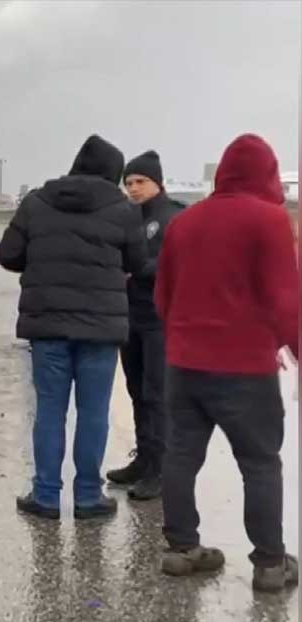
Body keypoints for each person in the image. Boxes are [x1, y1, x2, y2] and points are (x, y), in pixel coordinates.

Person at [154, 133, 299, 592]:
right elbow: (285, 300)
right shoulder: (269, 220)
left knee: (180, 454)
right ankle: (270, 565)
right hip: (244, 370)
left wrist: (188, 337)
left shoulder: (183, 222)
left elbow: (163, 299)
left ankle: (182, 549)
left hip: (183, 365)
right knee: (259, 463)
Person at [0, 134, 145, 520]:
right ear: (113, 174)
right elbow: (139, 261)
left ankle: (45, 496)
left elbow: (8, 255)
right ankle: (87, 497)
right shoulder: (123, 209)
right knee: (93, 411)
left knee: (49, 410)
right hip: (101, 328)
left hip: (47, 325)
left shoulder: (36, 203)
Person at [105, 151, 186, 501]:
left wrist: (136, 269)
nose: (134, 189)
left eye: (140, 182)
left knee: (157, 394)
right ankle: (144, 457)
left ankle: (161, 467)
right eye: (129, 183)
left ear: (158, 182)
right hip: (130, 316)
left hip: (160, 319)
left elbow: (175, 263)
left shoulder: (175, 217)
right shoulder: (128, 217)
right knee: (137, 391)